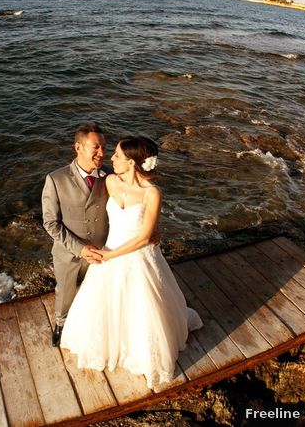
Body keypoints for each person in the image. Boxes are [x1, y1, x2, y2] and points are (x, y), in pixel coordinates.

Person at [60, 136, 203, 388]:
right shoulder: (111, 181)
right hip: (109, 252)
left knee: (143, 308)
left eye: (116, 156)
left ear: (132, 163)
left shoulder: (152, 194)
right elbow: (84, 184)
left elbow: (145, 237)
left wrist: (109, 256)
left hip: (136, 257)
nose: (110, 158)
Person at [41, 122, 110, 346]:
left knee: (99, 291)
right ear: (78, 148)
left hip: (102, 251)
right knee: (65, 291)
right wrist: (80, 248)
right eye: (96, 147)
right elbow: (51, 223)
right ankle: (60, 324)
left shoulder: (110, 176)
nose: (102, 153)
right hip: (68, 252)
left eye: (104, 147)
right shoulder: (56, 179)